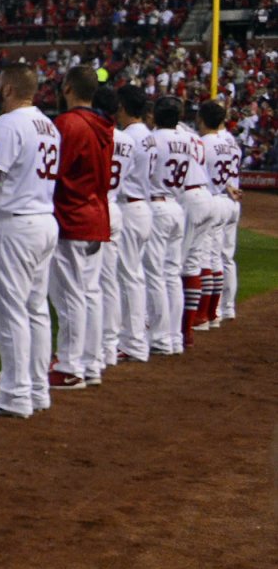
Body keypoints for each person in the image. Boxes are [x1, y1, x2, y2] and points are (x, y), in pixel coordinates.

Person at [0, 64, 62, 418]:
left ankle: (15, 392)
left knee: (11, 310)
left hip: (15, 222)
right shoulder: (49, 125)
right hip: (44, 219)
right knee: (36, 309)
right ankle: (36, 387)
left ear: (9, 90)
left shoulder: (8, 124)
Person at [47, 68, 116, 388]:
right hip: (97, 214)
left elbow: (54, 173)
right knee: (89, 293)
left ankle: (70, 365)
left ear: (69, 88)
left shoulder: (68, 124)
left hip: (72, 216)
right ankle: (90, 361)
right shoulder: (104, 124)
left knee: (71, 296)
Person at [109, 87, 157, 365]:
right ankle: (137, 335)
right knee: (135, 275)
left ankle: (133, 340)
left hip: (129, 206)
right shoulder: (148, 136)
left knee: (127, 277)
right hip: (143, 206)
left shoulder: (128, 137)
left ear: (124, 107)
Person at [147, 97, 190, 355]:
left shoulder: (154, 139)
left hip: (157, 206)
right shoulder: (187, 139)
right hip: (176, 206)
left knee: (155, 275)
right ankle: (175, 337)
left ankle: (160, 338)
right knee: (172, 275)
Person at [178, 102, 222, 343]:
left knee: (177, 265)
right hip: (208, 196)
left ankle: (179, 328)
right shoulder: (193, 137)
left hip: (190, 199)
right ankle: (191, 327)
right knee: (195, 262)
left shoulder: (170, 135)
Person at [199, 97, 243, 326]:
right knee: (226, 257)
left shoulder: (207, 141)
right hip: (231, 198)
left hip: (215, 199)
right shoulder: (232, 142)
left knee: (210, 257)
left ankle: (213, 311)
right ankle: (226, 308)